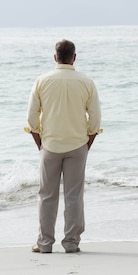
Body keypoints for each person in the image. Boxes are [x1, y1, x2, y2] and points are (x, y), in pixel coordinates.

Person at [25, 39, 102, 253]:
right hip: (78, 145)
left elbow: (31, 118)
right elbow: (95, 120)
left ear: (55, 58)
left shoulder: (42, 81)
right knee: (74, 196)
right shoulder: (86, 82)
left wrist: (40, 145)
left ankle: (45, 243)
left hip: (49, 145)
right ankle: (71, 243)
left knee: (47, 196)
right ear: (74, 57)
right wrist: (87, 144)